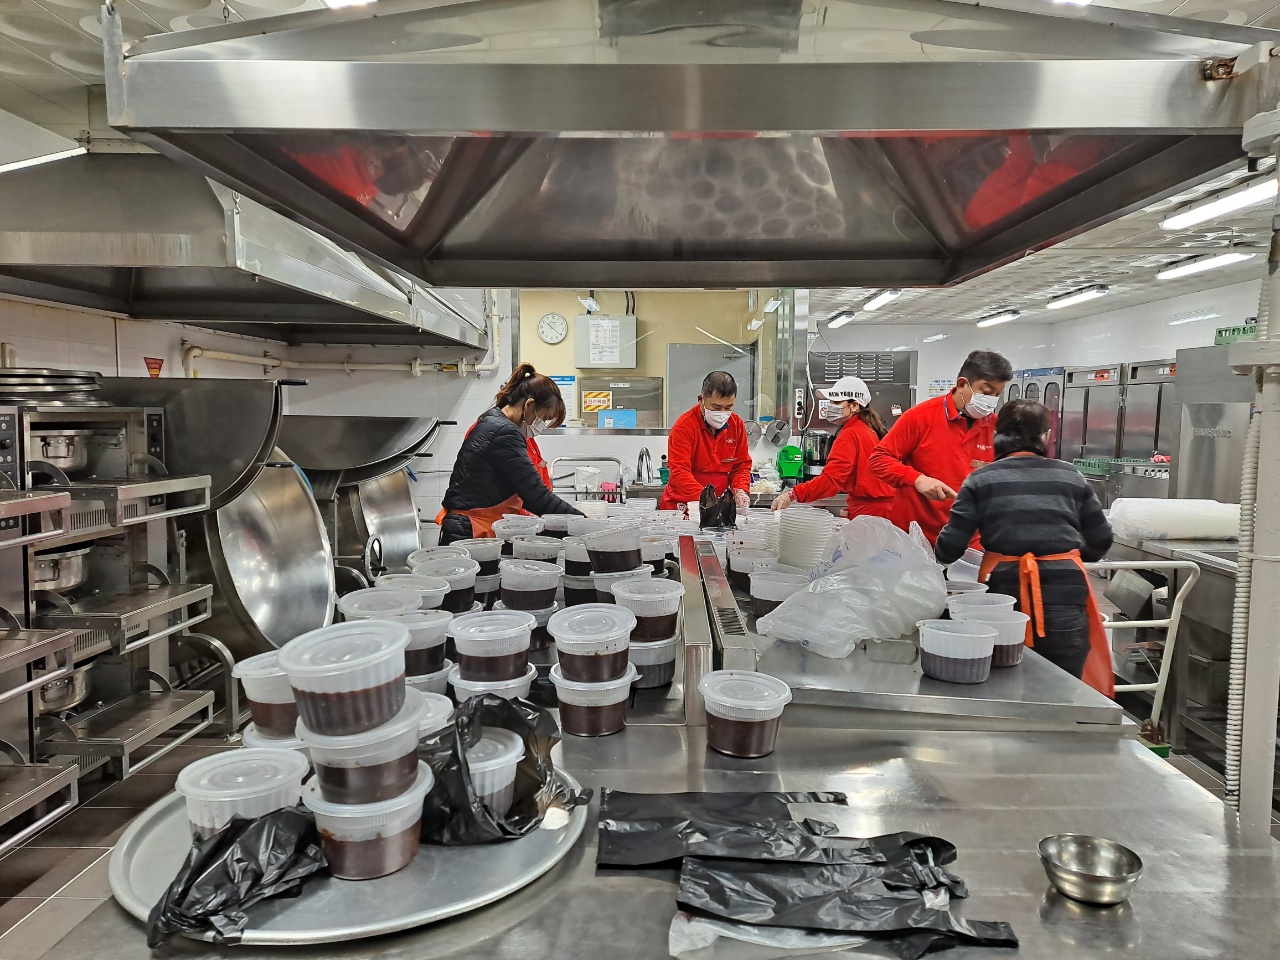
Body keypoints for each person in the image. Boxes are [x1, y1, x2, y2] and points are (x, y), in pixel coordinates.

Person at [934, 400, 1114, 693]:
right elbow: (1102, 538)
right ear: (1045, 436)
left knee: (1005, 679)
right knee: (1063, 685)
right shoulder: (1070, 475)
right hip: (1066, 591)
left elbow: (950, 547)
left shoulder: (980, 480)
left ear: (997, 435)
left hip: (1003, 597)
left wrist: (937, 557)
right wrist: (1066, 558)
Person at [869, 349, 1012, 545]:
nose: (991, 401)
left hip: (969, 541)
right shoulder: (920, 417)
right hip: (916, 539)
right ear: (962, 384)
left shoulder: (995, 427)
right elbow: (878, 460)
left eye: (997, 395)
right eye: (986, 392)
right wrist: (917, 479)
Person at [438, 364, 582, 544]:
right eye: (544, 418)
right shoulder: (503, 432)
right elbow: (535, 496)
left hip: (473, 526)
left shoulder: (494, 422)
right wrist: (582, 523)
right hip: (471, 530)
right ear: (529, 405)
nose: (542, 425)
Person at [770, 376, 894, 519]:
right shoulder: (868, 428)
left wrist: (793, 494)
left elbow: (831, 481)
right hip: (882, 509)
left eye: (836, 402)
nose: (830, 406)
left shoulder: (850, 434)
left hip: (870, 512)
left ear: (854, 405)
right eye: (830, 401)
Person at [659, 371, 753, 513]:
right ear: (700, 400)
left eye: (728, 407)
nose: (722, 413)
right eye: (716, 407)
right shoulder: (684, 427)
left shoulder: (737, 425)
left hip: (717, 506)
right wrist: (706, 497)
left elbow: (741, 467)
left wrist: (740, 490)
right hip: (683, 506)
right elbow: (679, 473)